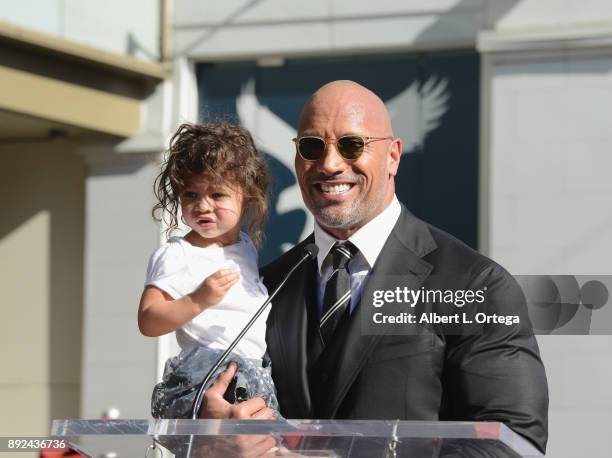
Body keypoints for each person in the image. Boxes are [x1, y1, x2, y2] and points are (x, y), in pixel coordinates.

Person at [200, 81, 549, 453]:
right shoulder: (267, 285)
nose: (330, 164)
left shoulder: (475, 285)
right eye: (312, 147)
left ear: (394, 156)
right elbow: (215, 402)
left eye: (352, 145)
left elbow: (514, 444)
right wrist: (211, 437)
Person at [138, 122, 278, 419]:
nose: (202, 205)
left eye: (217, 195)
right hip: (208, 370)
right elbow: (148, 320)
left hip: (255, 370)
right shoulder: (177, 254)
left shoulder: (244, 247)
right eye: (191, 195)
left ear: (248, 197)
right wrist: (197, 300)